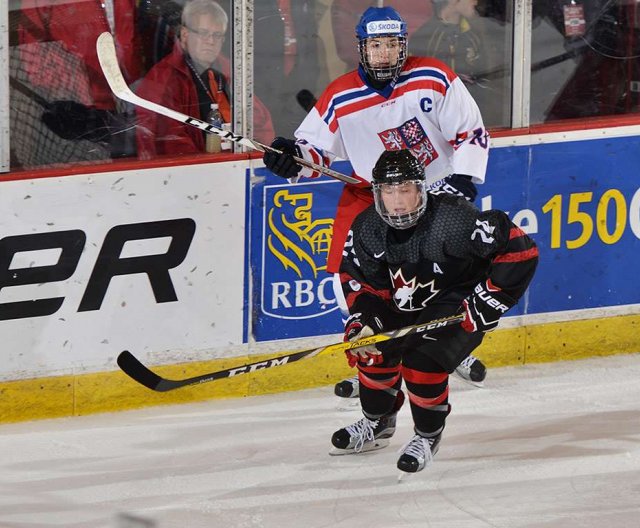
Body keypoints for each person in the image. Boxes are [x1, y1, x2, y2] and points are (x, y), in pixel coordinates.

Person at [263, 6, 490, 395]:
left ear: (402, 46)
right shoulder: (340, 94)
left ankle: (444, 346)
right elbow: (314, 152)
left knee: (442, 276)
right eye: (375, 45)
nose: (383, 53)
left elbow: (470, 132)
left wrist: (462, 182)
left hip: (435, 191)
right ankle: (380, 357)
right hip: (376, 197)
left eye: (391, 44)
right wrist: (291, 158)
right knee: (349, 279)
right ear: (361, 49)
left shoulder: (433, 76)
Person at [330, 149, 538, 473]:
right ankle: (378, 422)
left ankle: (427, 436)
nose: (397, 201)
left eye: (405, 190)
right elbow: (363, 284)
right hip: (403, 302)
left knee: (422, 362)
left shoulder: (454, 218)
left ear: (421, 189)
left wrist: (490, 298)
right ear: (377, 192)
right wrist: (365, 322)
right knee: (369, 349)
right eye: (388, 190)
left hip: (456, 303)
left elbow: (520, 251)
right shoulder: (368, 227)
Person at [135, 0, 274, 158]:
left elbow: (260, 123)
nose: (210, 41)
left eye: (217, 35)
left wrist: (261, 157)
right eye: (203, 33)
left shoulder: (232, 70)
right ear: (185, 34)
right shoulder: (163, 79)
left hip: (236, 164)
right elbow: (168, 141)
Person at [18, 0, 142, 158]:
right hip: (78, 115)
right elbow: (35, 64)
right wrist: (81, 92)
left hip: (131, 103)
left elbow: (134, 38)